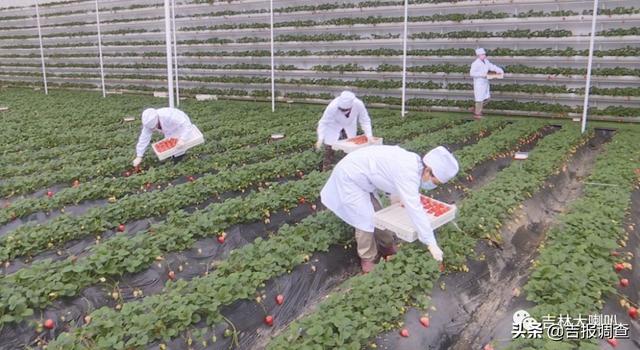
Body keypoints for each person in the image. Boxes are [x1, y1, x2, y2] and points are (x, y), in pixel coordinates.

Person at [320, 145, 459, 273]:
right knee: (365, 219)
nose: (433, 185)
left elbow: (394, 181)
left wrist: (398, 198)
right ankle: (368, 258)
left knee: (378, 215)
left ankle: (386, 245)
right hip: (349, 177)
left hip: (363, 177)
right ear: (428, 171)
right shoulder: (408, 171)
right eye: (435, 182)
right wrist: (431, 243)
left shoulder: (415, 165)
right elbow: (415, 209)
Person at [315, 91, 373, 170]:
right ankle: (326, 169)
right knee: (329, 148)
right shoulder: (333, 106)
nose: (342, 111)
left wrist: (369, 135)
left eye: (345, 110)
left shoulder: (358, 104)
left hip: (349, 125)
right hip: (333, 125)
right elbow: (323, 122)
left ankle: (348, 169)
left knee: (349, 148)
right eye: (341, 109)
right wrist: (320, 138)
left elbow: (365, 120)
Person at [132, 107, 198, 167]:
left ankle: (180, 163)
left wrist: (183, 139)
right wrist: (139, 156)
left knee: (179, 149)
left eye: (155, 126)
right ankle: (175, 159)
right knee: (173, 146)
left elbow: (186, 125)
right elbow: (144, 138)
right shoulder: (148, 123)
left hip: (180, 127)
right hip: (170, 131)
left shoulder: (169, 115)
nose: (154, 129)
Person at [469, 48, 504, 119]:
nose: (484, 55)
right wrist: (482, 74)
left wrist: (499, 70)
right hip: (479, 83)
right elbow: (472, 73)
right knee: (479, 99)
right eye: (482, 54)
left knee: (487, 98)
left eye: (484, 54)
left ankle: (475, 108)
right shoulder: (475, 63)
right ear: (478, 55)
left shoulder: (486, 61)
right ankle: (477, 114)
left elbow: (492, 67)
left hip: (485, 82)